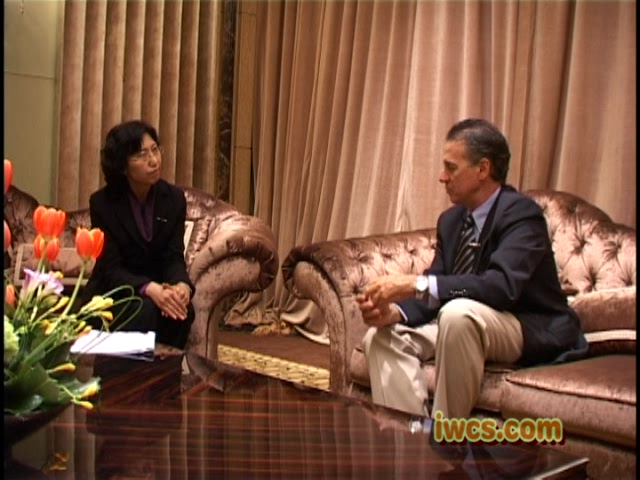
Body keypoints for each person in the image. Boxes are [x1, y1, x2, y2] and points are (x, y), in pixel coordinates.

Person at [356, 118, 588, 420]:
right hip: (465, 324)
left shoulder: (521, 214)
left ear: (483, 169)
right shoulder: (451, 221)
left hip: (524, 323)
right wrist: (395, 314)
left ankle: (445, 438)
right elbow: (439, 282)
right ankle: (409, 436)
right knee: (380, 337)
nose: (442, 177)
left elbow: (501, 287)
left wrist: (414, 284)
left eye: (451, 168)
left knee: (457, 313)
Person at [81, 119, 195, 349]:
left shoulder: (173, 199)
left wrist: (181, 285)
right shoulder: (102, 203)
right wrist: (149, 288)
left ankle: (166, 370)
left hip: (156, 292)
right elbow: (110, 269)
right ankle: (130, 372)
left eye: (155, 150)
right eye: (142, 155)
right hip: (114, 294)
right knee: (145, 310)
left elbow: (173, 257)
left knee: (183, 310)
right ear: (122, 165)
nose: (153, 160)